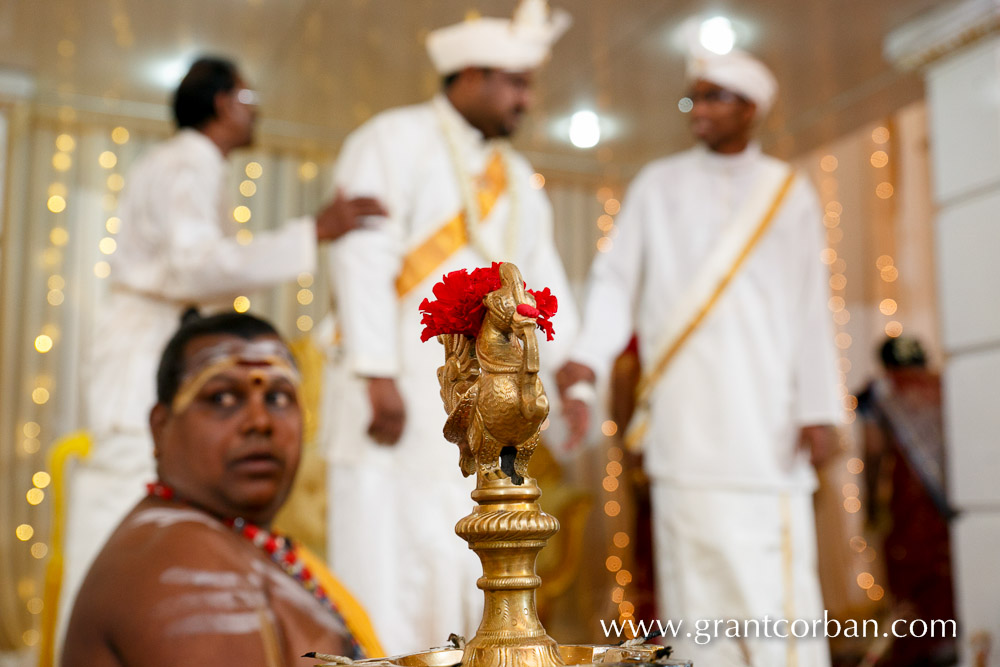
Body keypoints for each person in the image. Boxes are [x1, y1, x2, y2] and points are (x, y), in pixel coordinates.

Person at [61, 56, 386, 642]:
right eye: (248, 95)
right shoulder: (190, 160)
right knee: (125, 498)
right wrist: (311, 231)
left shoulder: (187, 161)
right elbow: (194, 265)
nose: (255, 108)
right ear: (221, 103)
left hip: (152, 339)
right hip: (145, 349)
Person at [557, 49, 841, 666]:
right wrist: (587, 358)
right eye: (694, 97)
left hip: (766, 429)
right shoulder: (658, 184)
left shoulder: (788, 192)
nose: (699, 110)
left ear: (753, 109)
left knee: (774, 601)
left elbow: (810, 307)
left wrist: (819, 408)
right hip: (685, 431)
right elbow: (615, 281)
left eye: (715, 97)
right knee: (695, 603)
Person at [320, 0, 577, 654]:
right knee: (386, 551)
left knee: (466, 545)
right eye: (515, 83)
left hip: (478, 404)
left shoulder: (520, 177)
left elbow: (544, 283)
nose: (526, 99)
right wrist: (376, 373)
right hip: (396, 391)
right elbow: (362, 257)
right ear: (471, 74)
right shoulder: (391, 138)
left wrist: (569, 374)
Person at [61, 311, 383, 666]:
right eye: (223, 398)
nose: (259, 422)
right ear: (160, 427)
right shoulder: (180, 563)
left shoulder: (235, 540)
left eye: (278, 397)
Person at [857, 336, 956, 666]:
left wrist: (870, 504)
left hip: (908, 501)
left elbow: (872, 451)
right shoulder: (947, 383)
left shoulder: (879, 392)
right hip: (954, 496)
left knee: (912, 583)